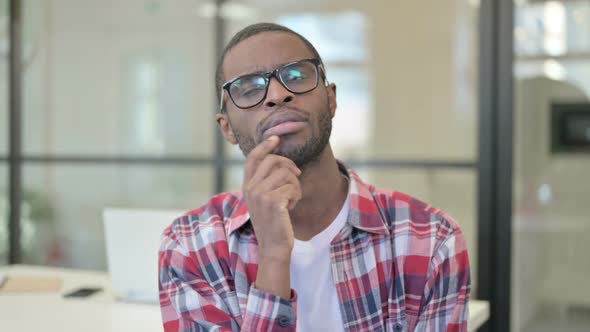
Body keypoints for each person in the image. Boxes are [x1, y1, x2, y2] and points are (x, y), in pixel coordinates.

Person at [158, 22, 471, 332]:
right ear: (227, 128)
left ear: (331, 99)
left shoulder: (430, 240)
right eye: (250, 88)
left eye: (296, 76)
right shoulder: (189, 247)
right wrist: (273, 255)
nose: (278, 95)